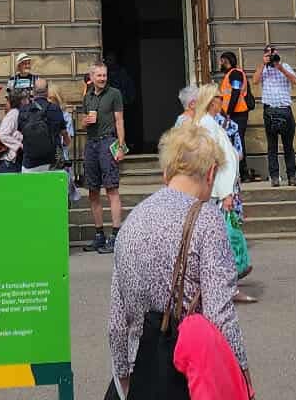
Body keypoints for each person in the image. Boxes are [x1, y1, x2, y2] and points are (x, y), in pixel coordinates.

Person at [106, 120, 251, 398]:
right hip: (190, 373)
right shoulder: (207, 219)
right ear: (210, 173)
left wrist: (123, 376)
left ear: (166, 172)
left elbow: (116, 320)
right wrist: (242, 372)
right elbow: (220, 314)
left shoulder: (132, 220)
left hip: (142, 371)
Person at [183, 86, 253, 302]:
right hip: (216, 192)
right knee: (220, 243)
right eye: (219, 98)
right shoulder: (207, 124)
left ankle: (220, 286)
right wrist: (225, 193)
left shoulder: (211, 123)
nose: (223, 101)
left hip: (219, 190)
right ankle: (224, 288)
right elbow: (215, 163)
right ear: (211, 101)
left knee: (217, 242)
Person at [79, 62, 127, 253]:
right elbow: (83, 123)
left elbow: (120, 120)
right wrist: (84, 122)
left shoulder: (114, 94)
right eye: (99, 75)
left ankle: (115, 235)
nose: (102, 78)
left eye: (104, 75)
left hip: (108, 142)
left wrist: (121, 146)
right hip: (91, 143)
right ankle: (99, 234)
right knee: (92, 190)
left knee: (112, 189)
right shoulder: (88, 96)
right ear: (91, 77)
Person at [257, 46, 296, 187]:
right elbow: (255, 80)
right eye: (269, 54)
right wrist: (263, 64)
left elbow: (295, 81)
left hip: (284, 109)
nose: (272, 57)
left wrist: (279, 67)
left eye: (273, 54)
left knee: (288, 145)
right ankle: (274, 177)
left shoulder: (284, 66)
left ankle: (291, 176)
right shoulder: (263, 68)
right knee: (272, 146)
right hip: (269, 109)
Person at [15, 77, 68, 173]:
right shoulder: (55, 109)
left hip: (29, 163)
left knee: (30, 188)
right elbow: (64, 133)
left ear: (34, 91)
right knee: (53, 188)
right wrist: (67, 142)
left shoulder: (24, 110)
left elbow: (19, 133)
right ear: (47, 91)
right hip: (52, 162)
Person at [217, 51, 253, 180]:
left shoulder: (235, 74)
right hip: (232, 114)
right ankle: (238, 172)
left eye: (221, 61)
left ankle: (243, 172)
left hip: (237, 114)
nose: (220, 64)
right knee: (233, 143)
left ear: (226, 60)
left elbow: (236, 93)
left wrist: (228, 112)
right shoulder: (229, 75)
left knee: (238, 143)